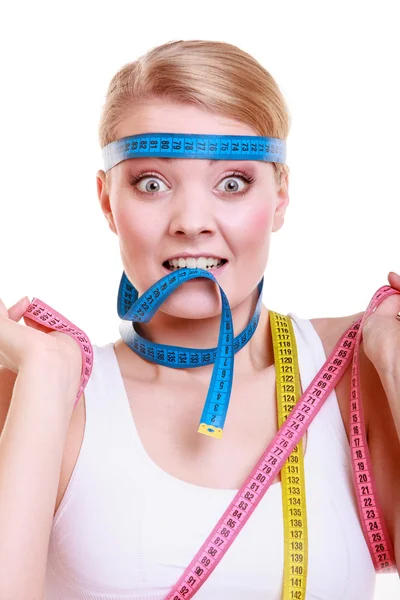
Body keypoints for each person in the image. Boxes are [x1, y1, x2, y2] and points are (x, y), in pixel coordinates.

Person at [0, 39, 399, 600]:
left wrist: (392, 359)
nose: (191, 222)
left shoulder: (356, 376)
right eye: (152, 183)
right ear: (106, 201)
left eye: (232, 183)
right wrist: (43, 374)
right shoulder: (40, 391)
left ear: (281, 195)